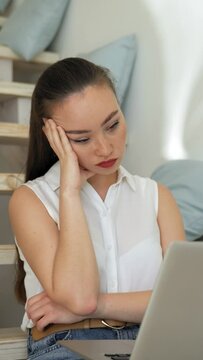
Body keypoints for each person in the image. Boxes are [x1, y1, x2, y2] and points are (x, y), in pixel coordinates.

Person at [9, 57, 185, 359]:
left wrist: (101, 303)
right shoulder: (31, 201)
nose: (105, 148)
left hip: (150, 341)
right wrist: (69, 192)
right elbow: (79, 297)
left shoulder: (157, 197)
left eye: (113, 125)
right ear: (53, 137)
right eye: (81, 138)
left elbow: (182, 301)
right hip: (66, 343)